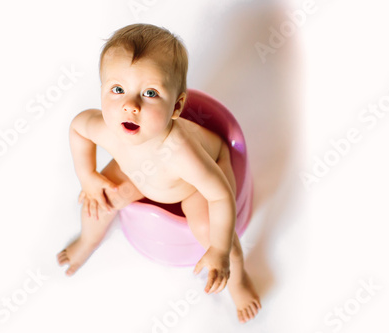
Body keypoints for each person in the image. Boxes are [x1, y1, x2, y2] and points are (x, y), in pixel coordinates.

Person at [57, 23, 261, 323]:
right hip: (143, 177)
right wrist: (87, 176)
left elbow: (220, 195)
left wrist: (218, 247)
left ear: (177, 107)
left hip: (192, 184)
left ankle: (238, 279)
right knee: (96, 202)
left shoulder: (181, 152)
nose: (130, 106)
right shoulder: (106, 128)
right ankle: (88, 240)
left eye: (150, 93)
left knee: (212, 231)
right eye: (117, 89)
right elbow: (77, 129)